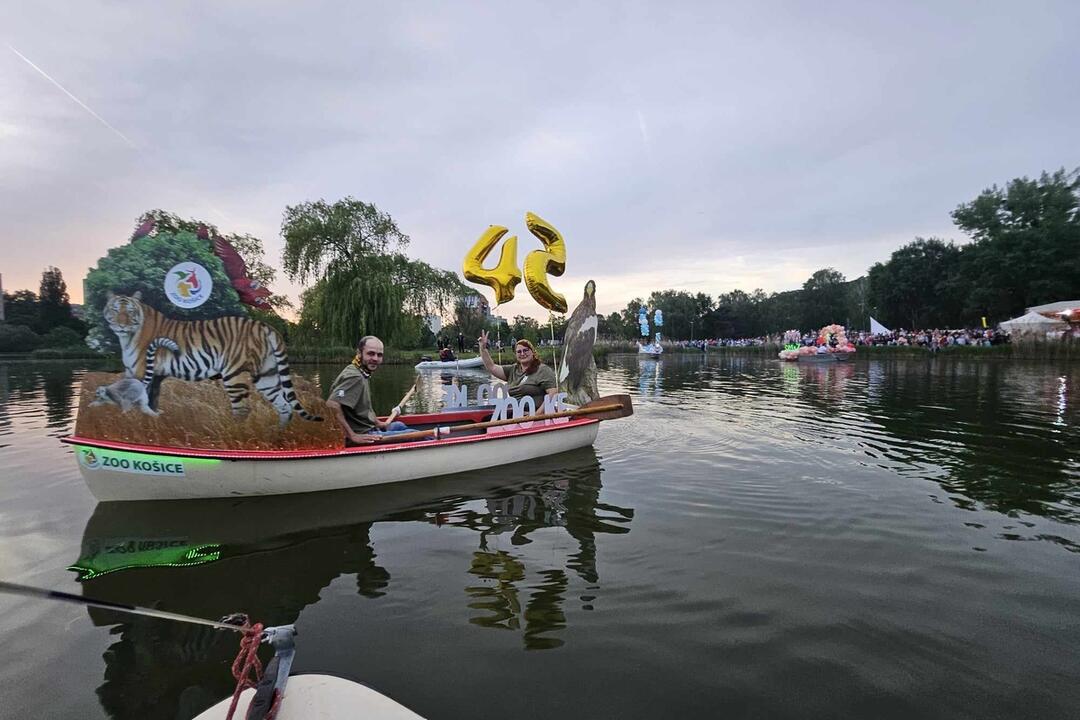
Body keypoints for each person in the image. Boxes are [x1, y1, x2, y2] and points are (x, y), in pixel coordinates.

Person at [326, 336, 418, 446]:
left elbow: (365, 409)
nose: (375, 358)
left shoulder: (359, 371)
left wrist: (379, 423)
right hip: (364, 435)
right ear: (359, 353)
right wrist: (352, 436)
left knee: (399, 425)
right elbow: (331, 405)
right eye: (370, 353)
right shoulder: (355, 377)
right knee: (416, 434)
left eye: (379, 355)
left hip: (369, 427)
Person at [478, 330, 558, 410]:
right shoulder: (513, 370)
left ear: (533, 352)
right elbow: (492, 367)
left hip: (537, 415)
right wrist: (483, 349)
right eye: (519, 352)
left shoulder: (543, 370)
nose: (522, 354)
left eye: (525, 350)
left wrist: (536, 416)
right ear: (516, 355)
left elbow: (553, 393)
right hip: (516, 413)